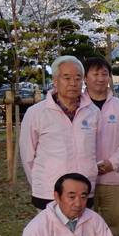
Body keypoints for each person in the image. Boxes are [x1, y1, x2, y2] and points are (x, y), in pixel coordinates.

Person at [20, 56, 99, 209]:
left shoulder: (93, 112)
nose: (73, 83)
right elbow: (27, 156)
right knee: (49, 233)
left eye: (78, 78)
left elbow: (96, 150)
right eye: (67, 77)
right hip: (48, 191)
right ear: (55, 81)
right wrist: (40, 182)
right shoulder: (37, 113)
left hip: (83, 191)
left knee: (81, 232)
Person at [83, 57, 119, 236]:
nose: (100, 78)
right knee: (84, 225)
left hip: (112, 177)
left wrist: (113, 163)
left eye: (104, 74)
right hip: (83, 178)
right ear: (85, 78)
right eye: (95, 74)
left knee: (114, 223)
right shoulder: (78, 106)